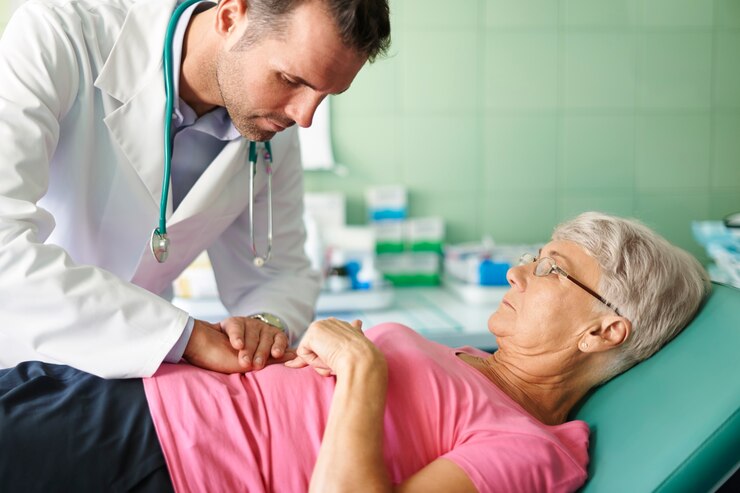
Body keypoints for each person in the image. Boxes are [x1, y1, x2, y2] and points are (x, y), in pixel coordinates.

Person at [0, 212, 710, 492]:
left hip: (160, 456)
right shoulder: (470, 360)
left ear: (603, 331)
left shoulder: (533, 445)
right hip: (136, 386)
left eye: (552, 268)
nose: (519, 271)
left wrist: (362, 371)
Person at [0, 0, 391, 378]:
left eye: (324, 96)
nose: (304, 117)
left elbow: (277, 274)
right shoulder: (57, 38)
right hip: (17, 361)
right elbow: (4, 249)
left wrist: (264, 324)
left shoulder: (272, 131)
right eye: (290, 80)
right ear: (230, 16)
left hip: (136, 384)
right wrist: (185, 337)